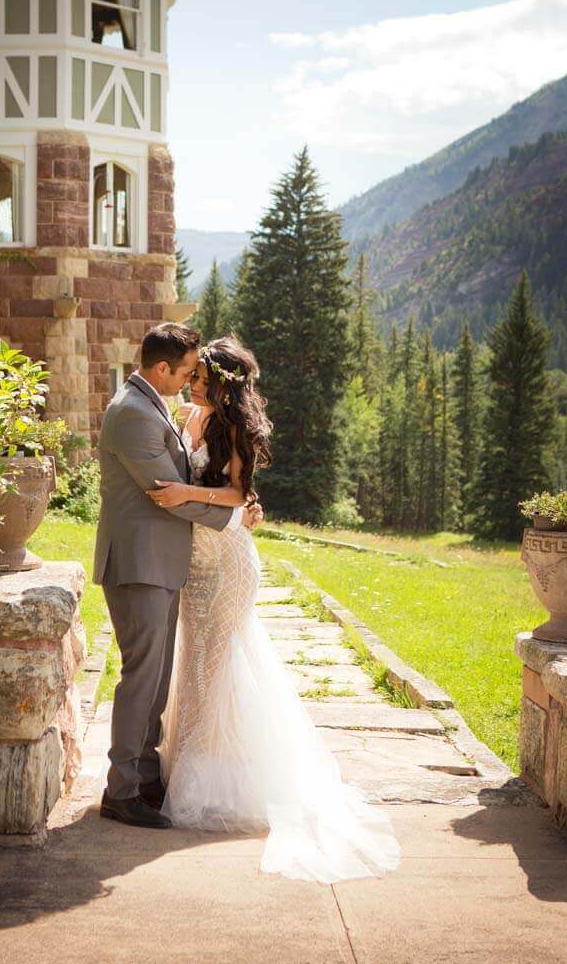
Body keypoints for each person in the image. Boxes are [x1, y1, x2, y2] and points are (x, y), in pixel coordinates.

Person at [150, 336, 401, 883]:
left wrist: (184, 495)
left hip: (230, 561)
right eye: (191, 375)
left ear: (222, 381)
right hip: (195, 562)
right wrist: (181, 496)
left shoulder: (232, 427)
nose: (191, 381)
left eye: (200, 376)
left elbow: (239, 495)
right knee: (195, 664)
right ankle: (183, 767)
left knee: (218, 666)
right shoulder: (186, 416)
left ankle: (212, 780)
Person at [93, 323, 263, 830]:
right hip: (140, 564)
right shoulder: (131, 413)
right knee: (142, 677)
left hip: (165, 563)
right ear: (162, 368)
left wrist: (239, 502)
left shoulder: (150, 404)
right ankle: (120, 790)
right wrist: (235, 515)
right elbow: (166, 493)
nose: (193, 378)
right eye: (188, 370)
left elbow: (187, 487)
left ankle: (145, 776)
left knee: (158, 676)